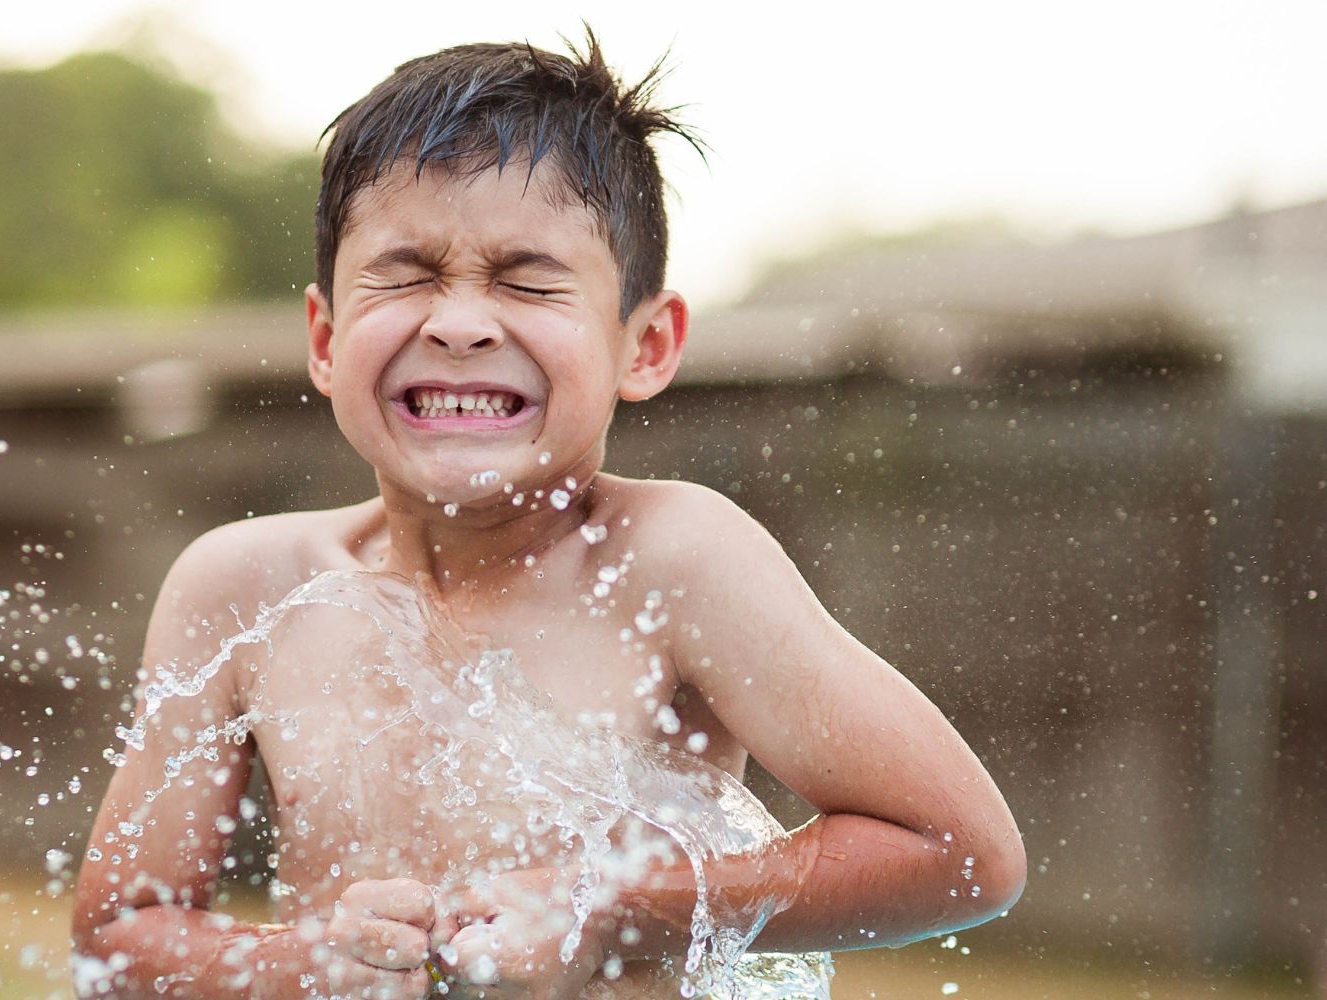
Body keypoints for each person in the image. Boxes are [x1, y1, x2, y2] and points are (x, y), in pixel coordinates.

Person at [70, 30, 1025, 1000]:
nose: (460, 321)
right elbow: (115, 937)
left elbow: (961, 852)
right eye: (405, 275)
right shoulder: (245, 585)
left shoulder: (673, 564)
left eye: (528, 281)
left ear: (645, 345)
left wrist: (604, 910)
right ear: (324, 338)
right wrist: (301, 962)